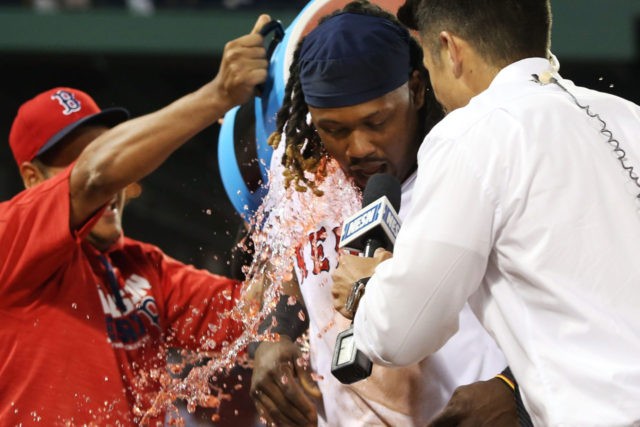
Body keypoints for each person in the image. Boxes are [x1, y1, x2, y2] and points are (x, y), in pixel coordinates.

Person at [333, 0, 640, 425]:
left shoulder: (472, 133)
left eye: (428, 61)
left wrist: (369, 286)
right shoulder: (628, 117)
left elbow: (401, 332)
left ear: (450, 49)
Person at [0, 14, 271, 426]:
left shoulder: (141, 267)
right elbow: (94, 176)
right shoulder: (10, 237)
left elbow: (255, 312)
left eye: (109, 149)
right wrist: (217, 95)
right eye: (70, 161)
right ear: (32, 178)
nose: (115, 181)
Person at [248, 2, 509, 426]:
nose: (359, 147)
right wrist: (273, 337)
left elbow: (571, 304)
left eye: (377, 121)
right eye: (334, 129)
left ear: (418, 90)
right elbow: (288, 261)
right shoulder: (298, 168)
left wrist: (511, 390)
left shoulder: (471, 171)